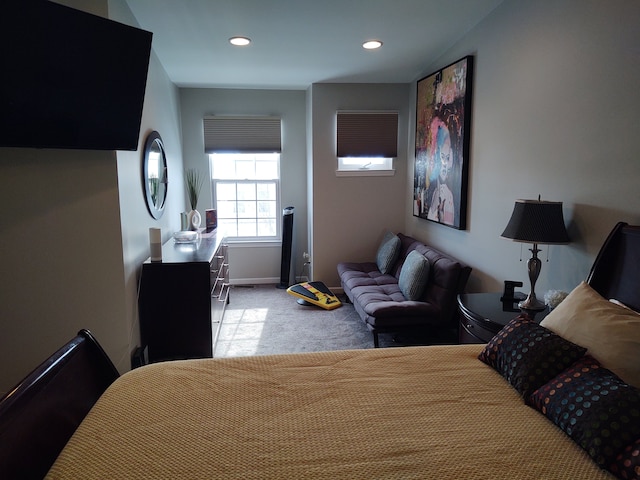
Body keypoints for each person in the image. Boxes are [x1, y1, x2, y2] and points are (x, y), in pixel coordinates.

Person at [427, 124, 455, 225]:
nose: (445, 164)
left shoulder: (449, 196)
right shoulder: (435, 191)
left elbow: (448, 224)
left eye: (447, 158)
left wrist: (441, 214)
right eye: (442, 157)